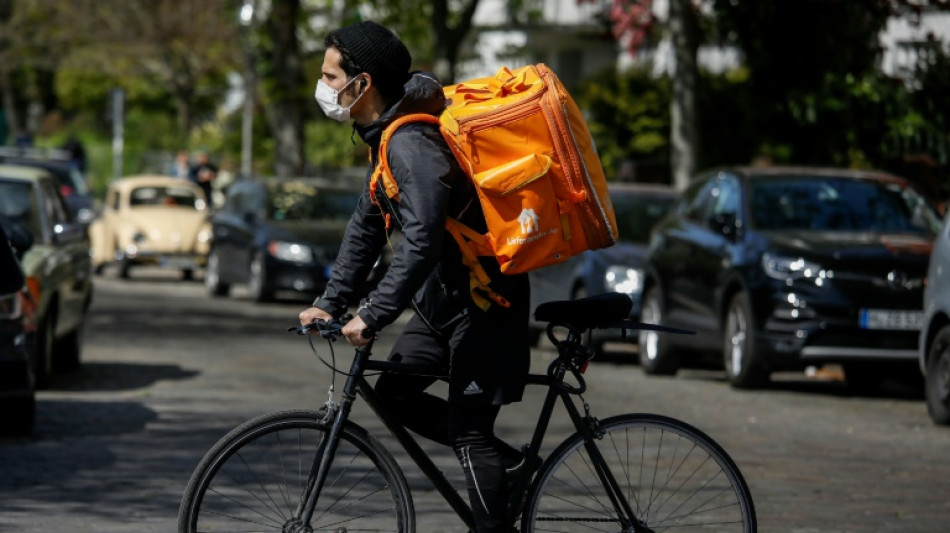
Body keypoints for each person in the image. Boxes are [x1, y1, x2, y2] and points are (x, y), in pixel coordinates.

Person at [297, 20, 531, 533]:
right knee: (395, 393)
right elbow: (366, 227)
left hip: (487, 304)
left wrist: (373, 313)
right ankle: (510, 465)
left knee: (469, 433)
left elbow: (422, 238)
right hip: (443, 302)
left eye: (330, 77)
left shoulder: (412, 144)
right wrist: (331, 302)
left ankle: (499, 481)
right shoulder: (387, 137)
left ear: (362, 83)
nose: (323, 87)